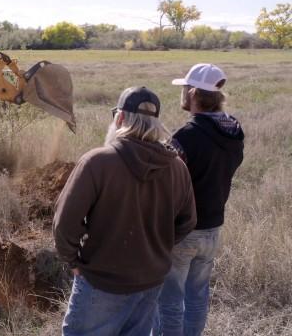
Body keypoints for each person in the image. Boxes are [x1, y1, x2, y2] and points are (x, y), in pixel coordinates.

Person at [54, 86, 197, 336]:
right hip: (151, 281)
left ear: (119, 118)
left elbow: (65, 223)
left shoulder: (97, 162)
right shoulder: (177, 167)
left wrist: (72, 260)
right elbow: (188, 221)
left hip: (101, 282)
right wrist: (157, 248)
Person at [157, 64, 244, 336]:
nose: (182, 93)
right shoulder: (234, 134)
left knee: (169, 301)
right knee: (197, 296)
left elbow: (163, 183)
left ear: (193, 93)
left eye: (185, 88)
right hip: (213, 228)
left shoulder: (186, 137)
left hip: (184, 231)